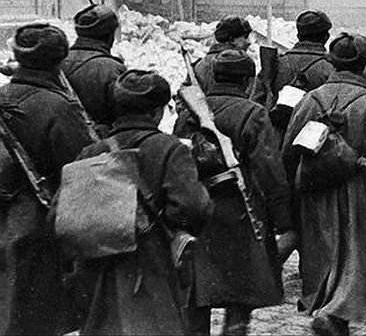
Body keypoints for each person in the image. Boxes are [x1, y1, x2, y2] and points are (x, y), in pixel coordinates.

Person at [284, 34, 366, 336]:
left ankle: (325, 310)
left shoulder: (309, 99)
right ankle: (334, 314)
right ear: (364, 63)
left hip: (313, 191)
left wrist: (294, 191)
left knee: (321, 255)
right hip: (359, 193)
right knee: (356, 260)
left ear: (332, 60)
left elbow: (288, 152)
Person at [77, 70, 212, 336]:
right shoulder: (170, 148)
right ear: (156, 112)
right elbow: (192, 207)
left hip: (100, 268)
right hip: (152, 265)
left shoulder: (91, 151)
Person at [175, 50, 295, 336]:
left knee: (197, 294)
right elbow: (269, 170)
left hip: (198, 210)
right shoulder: (253, 113)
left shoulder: (188, 112)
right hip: (242, 211)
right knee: (241, 296)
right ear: (247, 81)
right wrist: (283, 219)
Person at [0, 24, 95, 336]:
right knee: (34, 315)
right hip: (38, 223)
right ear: (60, 60)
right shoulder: (59, 107)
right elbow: (81, 168)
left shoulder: (3, 97)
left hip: (6, 218)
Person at [62, 4, 127, 136]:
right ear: (110, 36)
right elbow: (124, 119)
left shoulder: (57, 61)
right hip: (102, 143)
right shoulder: (113, 69)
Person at [251, 10, 334, 108]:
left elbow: (256, 103)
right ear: (326, 37)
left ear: (298, 36)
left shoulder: (274, 65)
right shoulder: (331, 69)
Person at [194, 15, 252, 92]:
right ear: (232, 40)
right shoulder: (239, 65)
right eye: (245, 37)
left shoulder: (200, 65)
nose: (249, 42)